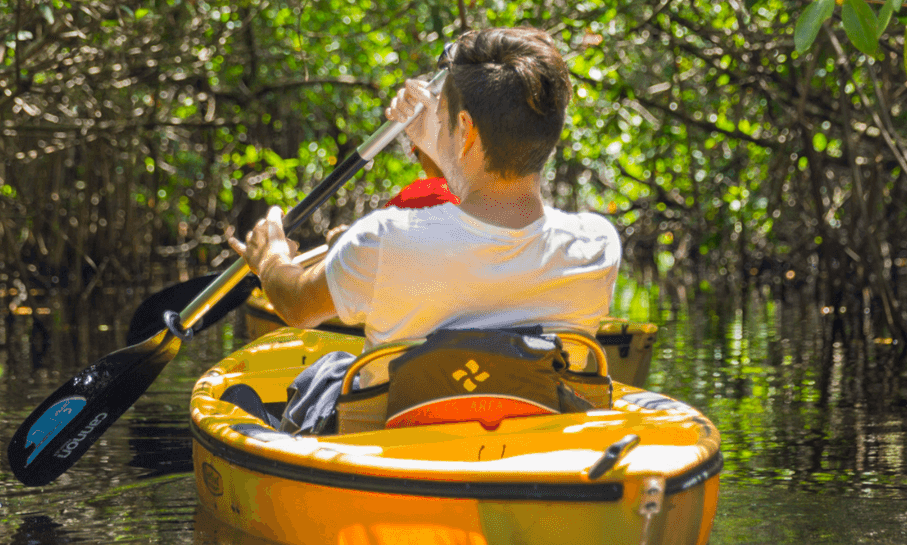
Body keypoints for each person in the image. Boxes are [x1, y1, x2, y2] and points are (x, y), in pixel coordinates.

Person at [225, 27, 620, 348]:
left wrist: (272, 259)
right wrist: (435, 134)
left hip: (406, 432)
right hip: (535, 428)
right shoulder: (597, 244)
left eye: (447, 120)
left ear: (464, 128)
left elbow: (297, 306)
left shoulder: (385, 239)